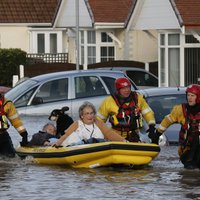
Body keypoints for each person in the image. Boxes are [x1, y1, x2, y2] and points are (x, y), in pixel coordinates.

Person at [154, 84, 200, 169]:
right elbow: (167, 121)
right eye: (188, 95)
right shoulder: (180, 110)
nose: (189, 98)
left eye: (192, 96)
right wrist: (157, 133)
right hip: (187, 150)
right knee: (190, 171)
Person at [97, 77, 156, 142]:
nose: (127, 90)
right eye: (123, 88)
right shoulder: (109, 101)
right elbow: (99, 120)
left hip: (135, 135)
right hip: (117, 137)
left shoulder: (138, 99)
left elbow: (148, 113)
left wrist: (151, 126)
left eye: (128, 87)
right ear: (118, 90)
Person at [53, 101, 126, 147]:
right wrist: (57, 143)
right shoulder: (77, 124)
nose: (90, 116)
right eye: (87, 114)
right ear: (82, 116)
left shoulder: (99, 123)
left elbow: (109, 133)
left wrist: (123, 141)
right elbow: (66, 135)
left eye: (91, 113)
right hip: (79, 149)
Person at [0, 88, 28, 157]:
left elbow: (16, 121)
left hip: (2, 135)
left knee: (11, 158)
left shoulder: (7, 103)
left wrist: (24, 134)